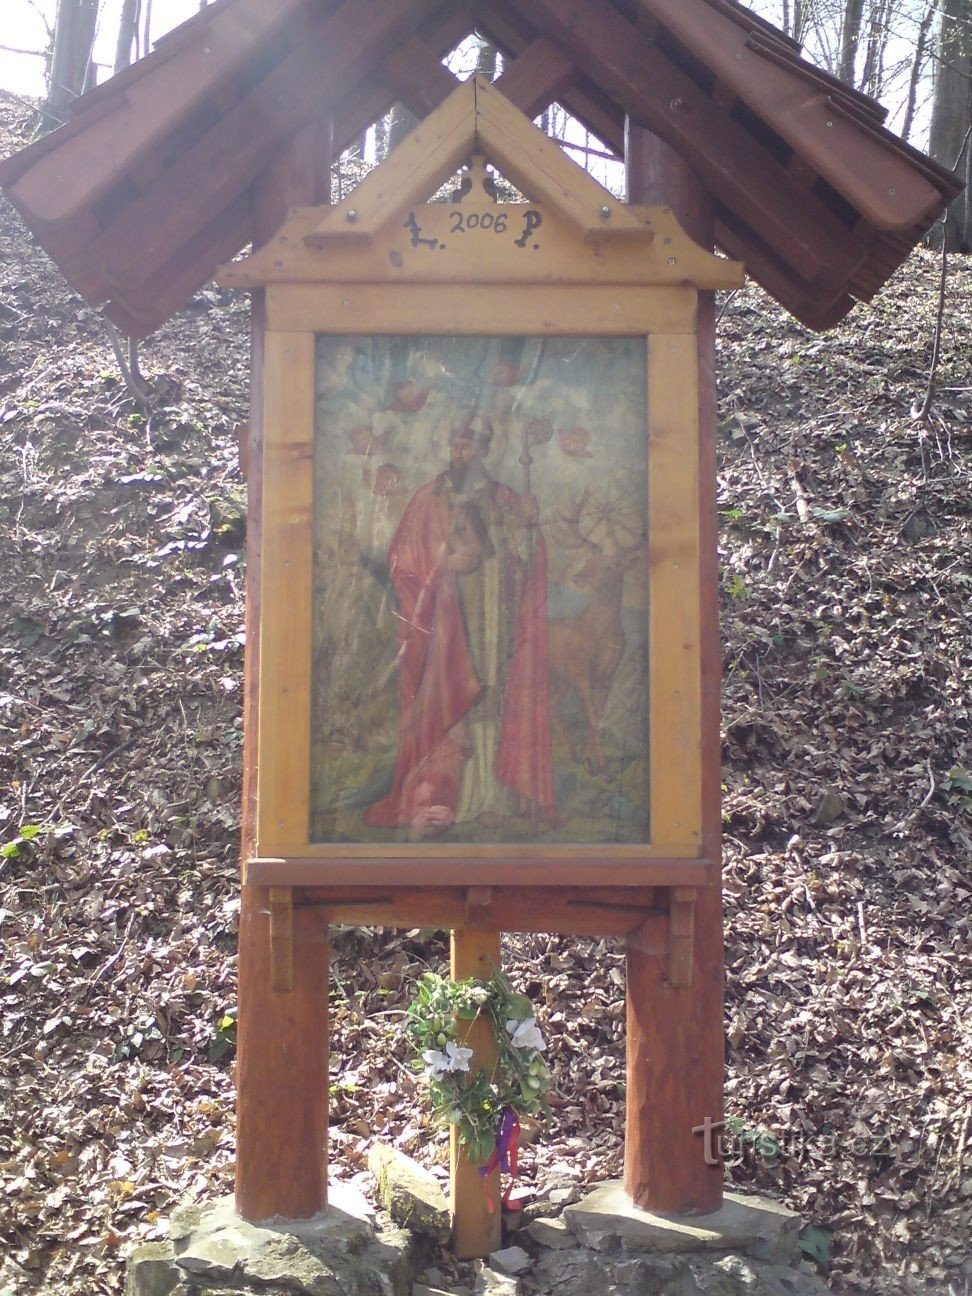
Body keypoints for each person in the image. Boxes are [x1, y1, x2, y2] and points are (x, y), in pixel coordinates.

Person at [364, 413, 554, 837]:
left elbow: (526, 555)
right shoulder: (429, 498)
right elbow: (402, 559)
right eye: (455, 445)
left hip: (495, 615)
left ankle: (493, 797)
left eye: (467, 446)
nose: (459, 453)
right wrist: (441, 564)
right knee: (453, 696)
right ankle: (449, 797)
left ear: (484, 450)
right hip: (445, 622)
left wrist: (528, 525)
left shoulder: (505, 498)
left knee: (492, 694)